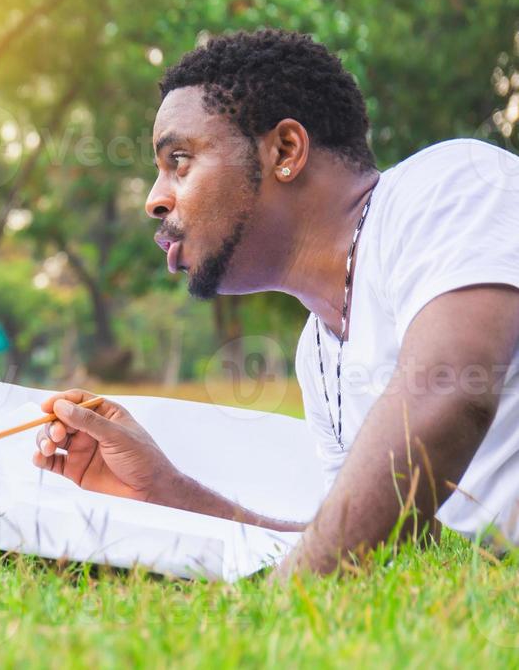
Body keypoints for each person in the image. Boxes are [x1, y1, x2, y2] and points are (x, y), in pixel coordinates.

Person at [32, 30, 519, 575]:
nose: (154, 198)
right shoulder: (317, 351)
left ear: (285, 151)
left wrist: (275, 606)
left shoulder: (447, 185)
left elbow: (451, 388)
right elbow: (376, 539)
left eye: (179, 160)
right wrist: (167, 490)